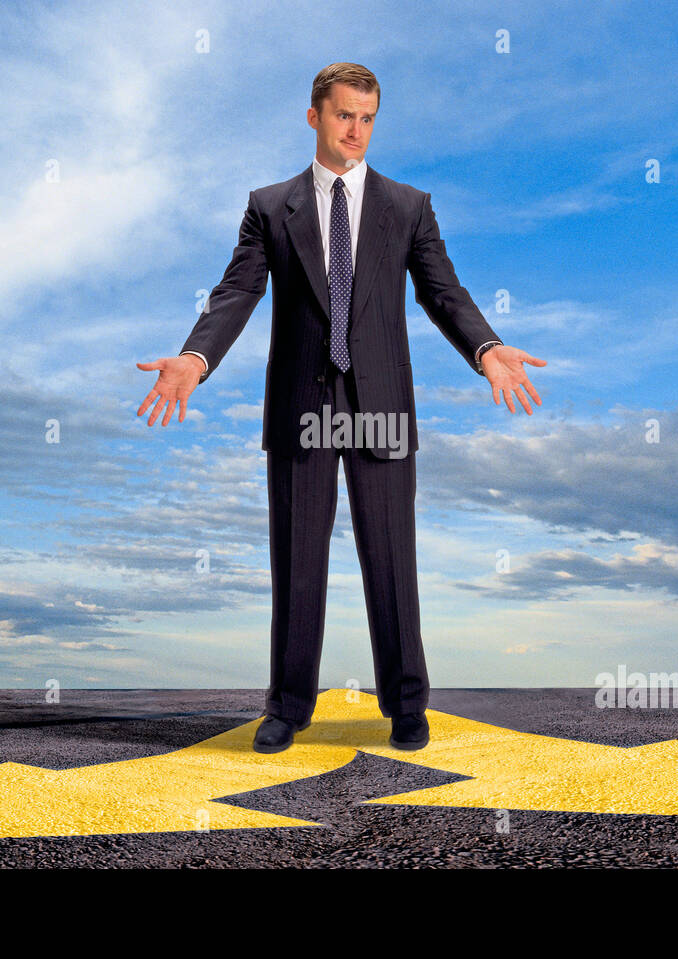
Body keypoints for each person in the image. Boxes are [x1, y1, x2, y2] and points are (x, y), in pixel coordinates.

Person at [137, 62, 544, 754]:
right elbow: (236, 292)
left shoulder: (408, 206)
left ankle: (407, 704)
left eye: (368, 118)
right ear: (314, 117)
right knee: (296, 561)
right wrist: (196, 356)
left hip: (380, 403)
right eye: (343, 115)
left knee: (391, 558)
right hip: (302, 405)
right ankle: (287, 707)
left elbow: (442, 290)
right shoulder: (270, 207)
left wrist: (486, 346)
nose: (356, 130)